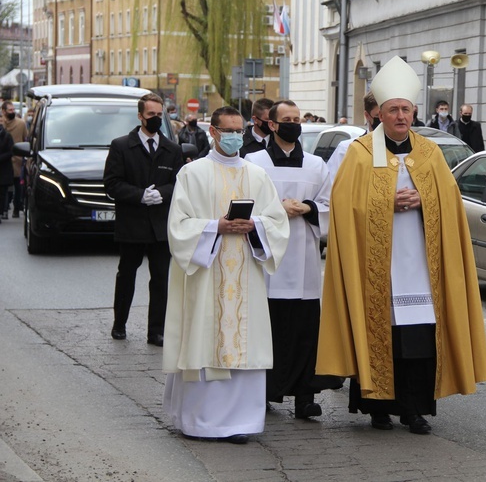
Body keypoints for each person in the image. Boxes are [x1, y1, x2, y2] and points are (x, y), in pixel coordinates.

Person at [316, 56, 486, 435]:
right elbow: (343, 206)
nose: (400, 116)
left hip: (422, 267)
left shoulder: (429, 154)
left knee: (420, 338)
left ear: (414, 113)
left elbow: (450, 203)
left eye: (406, 110)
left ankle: (414, 410)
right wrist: (386, 203)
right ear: (379, 113)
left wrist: (425, 201)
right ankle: (378, 407)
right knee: (381, 333)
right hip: (376, 266)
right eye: (393, 109)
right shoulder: (360, 153)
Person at [163, 106, 290, 445]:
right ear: (214, 133)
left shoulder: (257, 175)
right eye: (229, 130)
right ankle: (200, 421)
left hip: (245, 273)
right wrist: (214, 226)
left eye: (240, 129)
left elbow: (277, 222)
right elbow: (178, 227)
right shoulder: (192, 174)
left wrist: (255, 226)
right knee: (207, 337)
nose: (236, 136)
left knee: (244, 343)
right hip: (207, 276)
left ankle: (241, 423)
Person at [245, 100, 341, 418]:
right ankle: (264, 392)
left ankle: (304, 397)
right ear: (271, 124)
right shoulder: (254, 162)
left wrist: (309, 208)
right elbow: (243, 203)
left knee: (304, 330)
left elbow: (330, 204)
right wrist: (275, 210)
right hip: (267, 258)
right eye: (287, 119)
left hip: (303, 260)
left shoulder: (316, 165)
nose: (294, 124)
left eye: (297, 119)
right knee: (268, 328)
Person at [103, 93, 184, 346]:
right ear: (140, 116)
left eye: (160, 115)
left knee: (160, 279)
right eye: (151, 115)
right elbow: (112, 184)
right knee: (126, 275)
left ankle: (156, 331)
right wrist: (140, 196)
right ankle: (120, 324)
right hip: (132, 224)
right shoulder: (121, 146)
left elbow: (179, 182)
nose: (156, 119)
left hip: (161, 226)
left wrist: (161, 193)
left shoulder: (172, 149)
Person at [326, 91, 379, 182]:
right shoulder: (346, 148)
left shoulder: (409, 147)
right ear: (367, 115)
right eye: (379, 115)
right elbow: (332, 187)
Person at [1, 101, 29, 219]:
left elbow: (26, 138)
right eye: (10, 110)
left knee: (18, 185)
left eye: (13, 110)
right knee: (4, 186)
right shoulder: (2, 124)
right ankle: (4, 208)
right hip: (4, 162)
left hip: (17, 159)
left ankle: (16, 208)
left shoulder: (21, 124)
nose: (13, 112)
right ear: (4, 111)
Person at [0, 123, 13, 224]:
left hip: (4, 169)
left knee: (2, 193)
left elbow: (10, 151)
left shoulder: (7, 136)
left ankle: (1, 212)